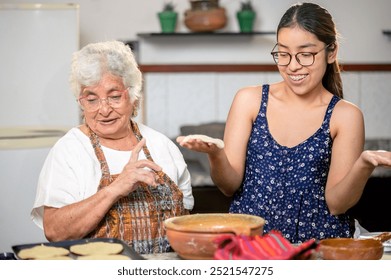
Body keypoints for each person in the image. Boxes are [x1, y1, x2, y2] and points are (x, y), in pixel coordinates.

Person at [177, 2, 391, 244]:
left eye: (306, 54)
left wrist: (365, 163)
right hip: (252, 247)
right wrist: (216, 153)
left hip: (317, 250)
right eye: (283, 53)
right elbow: (229, 186)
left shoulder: (345, 115)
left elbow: (336, 204)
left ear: (331, 52)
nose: (292, 65)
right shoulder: (249, 100)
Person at [31, 40, 194, 254]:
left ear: (134, 98)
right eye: (92, 99)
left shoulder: (162, 146)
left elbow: (186, 224)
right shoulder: (70, 150)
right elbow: (55, 231)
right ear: (81, 104)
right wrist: (116, 188)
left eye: (114, 97)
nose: (104, 109)